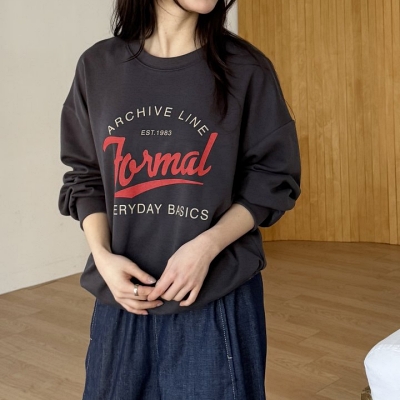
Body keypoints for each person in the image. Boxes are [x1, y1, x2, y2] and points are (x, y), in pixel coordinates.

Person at [58, 0, 301, 398]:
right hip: (122, 299)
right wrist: (102, 257)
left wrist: (207, 247)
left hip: (216, 299)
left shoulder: (246, 68)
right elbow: (86, 177)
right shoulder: (98, 66)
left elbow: (273, 178)